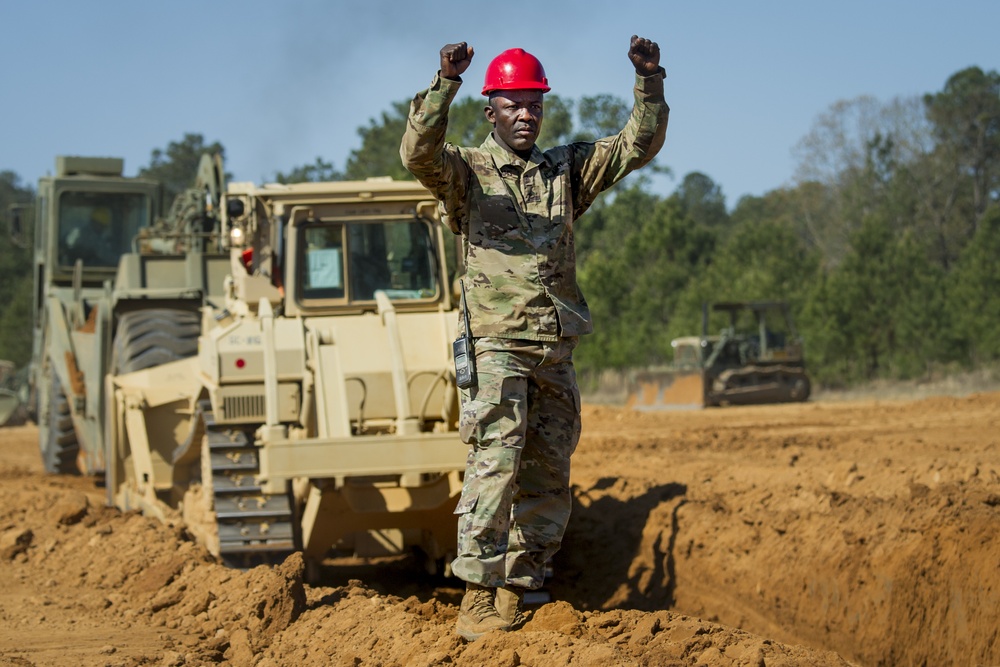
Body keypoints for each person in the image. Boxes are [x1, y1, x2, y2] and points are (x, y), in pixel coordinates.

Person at [400, 35, 669, 640]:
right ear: (490, 111)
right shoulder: (466, 172)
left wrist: (649, 81)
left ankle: (520, 588)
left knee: (549, 471)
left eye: (535, 104)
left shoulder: (565, 171)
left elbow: (636, 145)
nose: (526, 114)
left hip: (554, 346)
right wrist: (445, 83)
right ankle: (478, 594)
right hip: (497, 344)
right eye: (514, 104)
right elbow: (417, 153)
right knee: (495, 461)